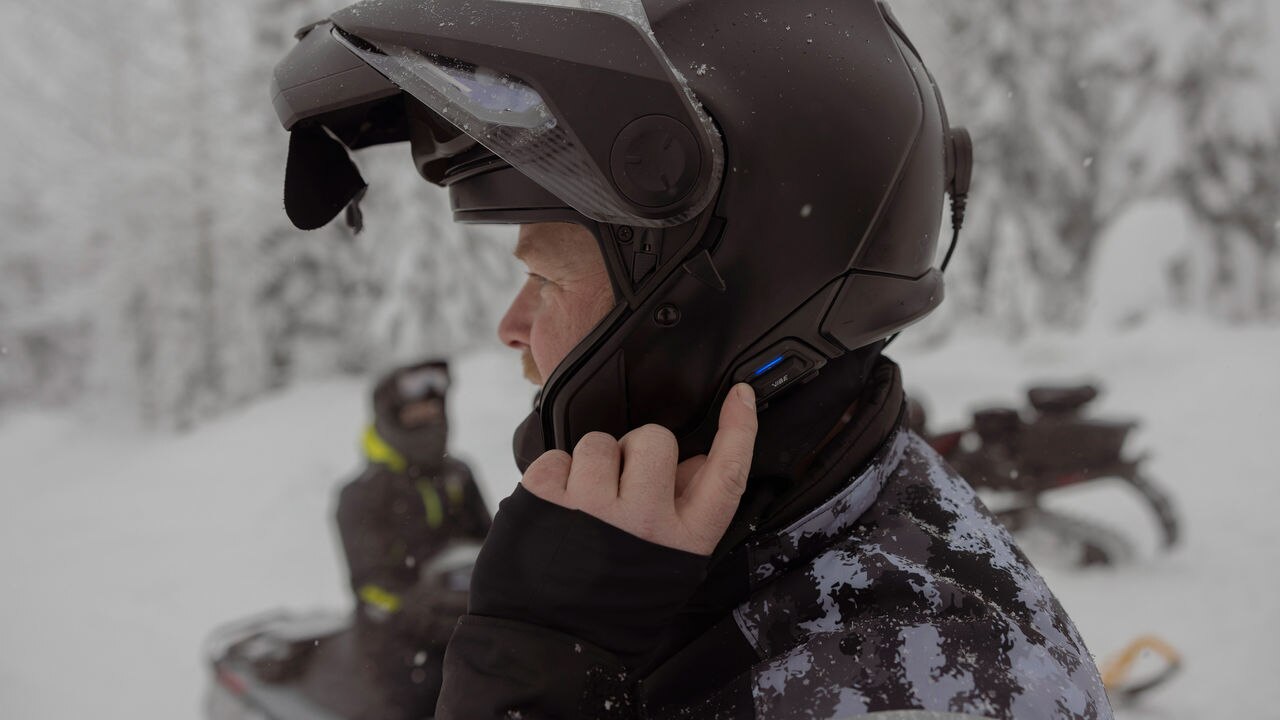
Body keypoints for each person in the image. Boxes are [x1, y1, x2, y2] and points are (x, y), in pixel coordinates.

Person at [272, 0, 1112, 718]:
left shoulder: (913, 681)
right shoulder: (792, 524)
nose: (512, 325)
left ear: (697, 307)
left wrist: (534, 677)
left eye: (544, 277)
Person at [335, 359, 490, 719]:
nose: (428, 418)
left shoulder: (458, 473)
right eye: (415, 412)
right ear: (392, 418)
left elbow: (494, 544)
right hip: (398, 648)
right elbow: (372, 587)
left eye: (433, 409)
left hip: (467, 628)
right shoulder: (363, 493)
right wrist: (427, 611)